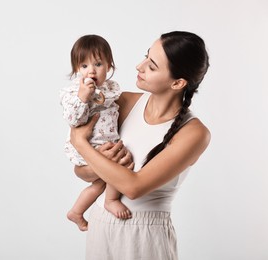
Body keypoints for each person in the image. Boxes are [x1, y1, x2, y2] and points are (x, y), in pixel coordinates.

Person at [69, 31, 211, 259]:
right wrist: (96, 162)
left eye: (152, 66)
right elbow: (82, 172)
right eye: (146, 56)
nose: (139, 66)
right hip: (101, 226)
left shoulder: (194, 133)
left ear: (177, 82)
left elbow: (134, 187)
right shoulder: (122, 103)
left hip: (145, 237)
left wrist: (81, 143)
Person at [60, 35, 133, 232]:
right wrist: (83, 96)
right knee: (119, 167)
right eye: (84, 66)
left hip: (106, 142)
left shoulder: (110, 89)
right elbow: (73, 120)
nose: (91, 70)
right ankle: (111, 200)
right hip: (91, 145)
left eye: (98, 64)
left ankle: (76, 211)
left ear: (109, 65)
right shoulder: (74, 92)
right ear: (76, 69)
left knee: (100, 183)